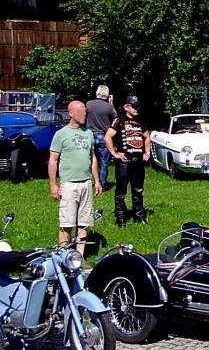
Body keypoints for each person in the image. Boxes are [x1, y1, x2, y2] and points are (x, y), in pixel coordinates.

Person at [48, 100, 102, 248]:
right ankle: (64, 255)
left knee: (84, 223)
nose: (84, 114)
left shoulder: (88, 133)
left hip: (86, 183)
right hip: (69, 185)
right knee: (67, 223)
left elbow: (93, 158)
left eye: (85, 112)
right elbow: (53, 160)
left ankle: (79, 257)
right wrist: (53, 185)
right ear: (71, 113)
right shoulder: (61, 134)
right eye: (81, 112)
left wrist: (96, 181)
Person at [105, 95, 152, 227]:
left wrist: (147, 152)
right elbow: (107, 137)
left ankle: (139, 216)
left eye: (138, 106)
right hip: (124, 162)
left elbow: (147, 137)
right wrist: (114, 153)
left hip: (138, 161)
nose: (137, 109)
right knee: (121, 191)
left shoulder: (141, 121)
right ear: (127, 107)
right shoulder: (119, 120)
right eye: (134, 106)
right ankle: (121, 218)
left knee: (138, 190)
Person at [85, 85, 116, 189]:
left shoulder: (89, 104)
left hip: (90, 135)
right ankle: (102, 183)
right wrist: (111, 104)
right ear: (107, 95)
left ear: (96, 93)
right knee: (103, 162)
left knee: (90, 159)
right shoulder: (108, 107)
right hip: (103, 135)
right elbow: (116, 118)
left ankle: (89, 181)